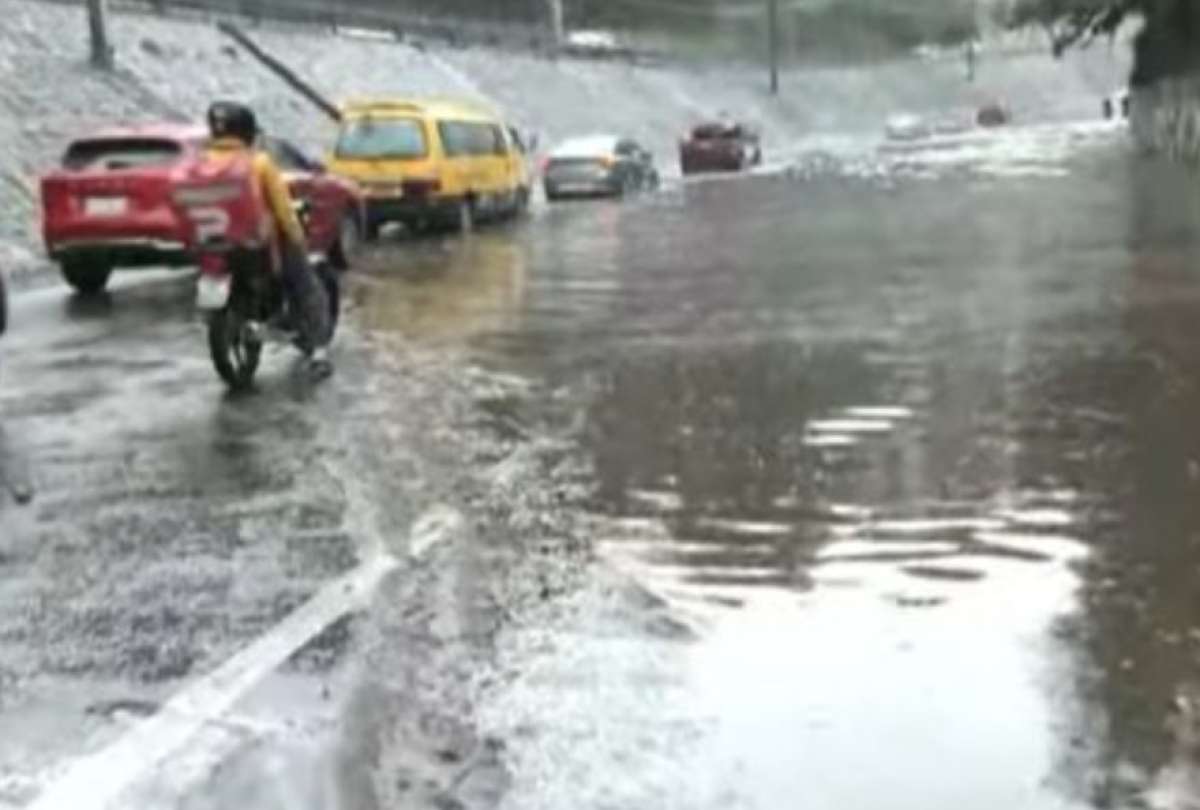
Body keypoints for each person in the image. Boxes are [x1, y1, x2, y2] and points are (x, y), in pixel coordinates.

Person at [204, 100, 332, 377]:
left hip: (213, 243)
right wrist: (297, 237)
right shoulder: (259, 163)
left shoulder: (200, 164)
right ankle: (320, 351)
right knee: (307, 285)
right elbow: (283, 208)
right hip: (258, 244)